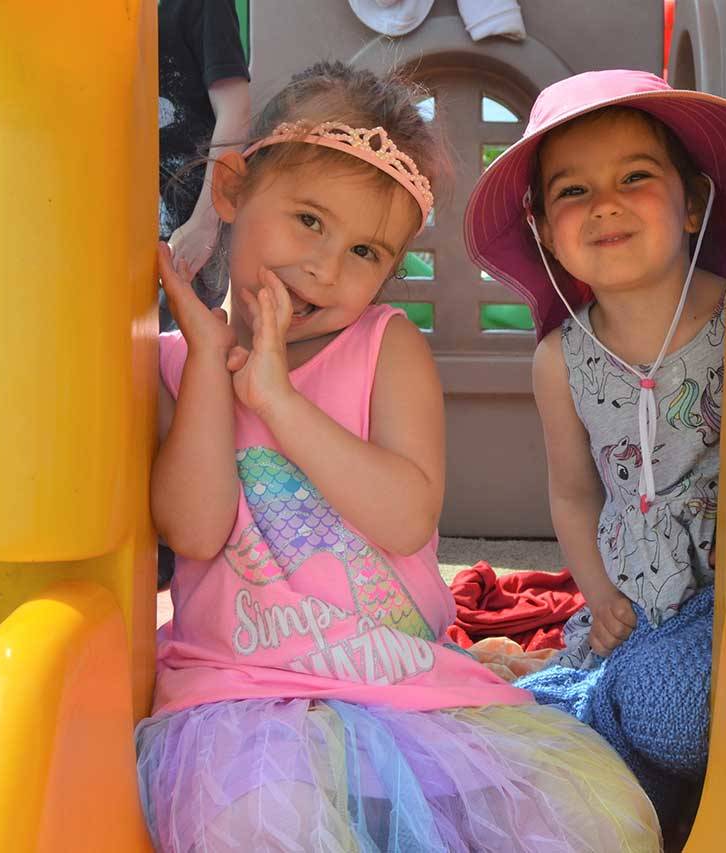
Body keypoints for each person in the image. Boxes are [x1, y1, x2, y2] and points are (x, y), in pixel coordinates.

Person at [138, 62, 660, 852]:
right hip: (242, 695)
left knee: (597, 814)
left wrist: (278, 398)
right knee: (259, 827)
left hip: (403, 685)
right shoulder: (179, 361)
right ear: (234, 190)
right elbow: (194, 530)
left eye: (365, 252)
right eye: (308, 221)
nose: (326, 268)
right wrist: (215, 367)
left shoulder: (386, 347)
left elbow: (406, 513)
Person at [463, 69, 726, 838]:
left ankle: (582, 703)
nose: (605, 203)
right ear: (546, 229)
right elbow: (575, 493)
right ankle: (602, 734)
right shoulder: (561, 358)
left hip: (725, 601)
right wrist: (597, 591)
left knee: (681, 708)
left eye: (635, 177)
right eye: (573, 192)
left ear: (690, 202)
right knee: (550, 790)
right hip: (630, 609)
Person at [158, 0, 252, 320]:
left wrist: (204, 222)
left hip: (184, 232)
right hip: (115, 226)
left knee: (174, 359)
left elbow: (235, 111)